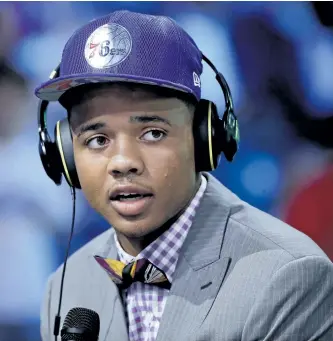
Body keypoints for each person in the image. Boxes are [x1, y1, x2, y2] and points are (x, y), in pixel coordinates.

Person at [34, 10, 333, 341]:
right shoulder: (66, 285)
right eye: (97, 140)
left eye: (152, 133)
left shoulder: (289, 276)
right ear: (66, 155)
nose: (122, 162)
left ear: (203, 138)